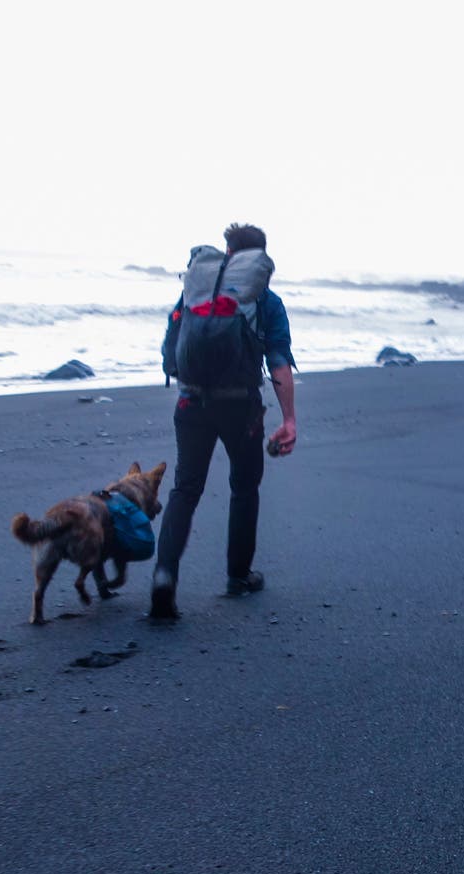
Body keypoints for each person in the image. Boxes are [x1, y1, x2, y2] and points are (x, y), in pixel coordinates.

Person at [149, 222, 297, 620]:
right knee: (245, 486)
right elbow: (278, 360)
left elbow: (171, 344)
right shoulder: (265, 299)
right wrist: (289, 420)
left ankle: (164, 576)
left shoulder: (195, 290)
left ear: (227, 252)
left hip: (191, 403)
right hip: (241, 407)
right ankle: (238, 576)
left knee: (185, 488)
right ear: (260, 260)